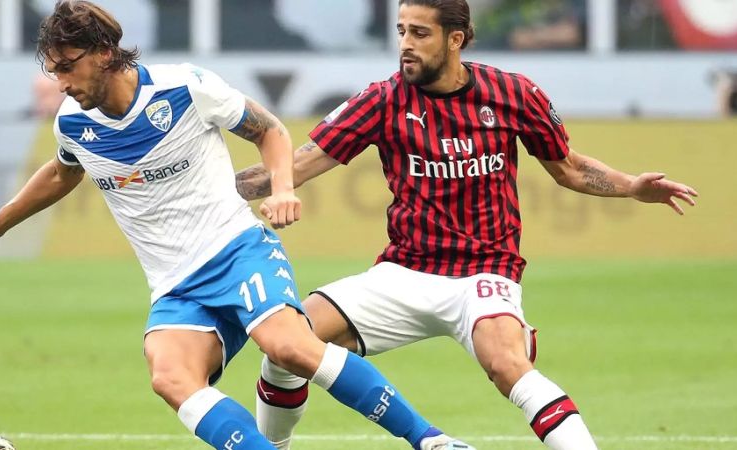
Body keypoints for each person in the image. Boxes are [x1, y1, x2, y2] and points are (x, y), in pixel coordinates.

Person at [0, 2, 473, 450]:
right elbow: (61, 172)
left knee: (288, 347)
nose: (59, 82)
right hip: (176, 285)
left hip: (239, 249)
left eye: (67, 66)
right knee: (170, 377)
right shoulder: (74, 123)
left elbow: (270, 131)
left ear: (103, 54)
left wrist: (283, 188)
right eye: (52, 69)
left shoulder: (183, 87)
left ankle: (431, 441)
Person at [235, 1, 699, 449]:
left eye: (419, 33)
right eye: (401, 32)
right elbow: (295, 167)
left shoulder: (514, 93)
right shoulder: (382, 100)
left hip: (484, 272)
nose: (406, 45)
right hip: (404, 271)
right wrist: (203, 193)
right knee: (285, 343)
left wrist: (632, 186)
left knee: (507, 365)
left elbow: (570, 169)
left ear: (455, 39)